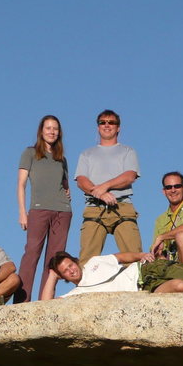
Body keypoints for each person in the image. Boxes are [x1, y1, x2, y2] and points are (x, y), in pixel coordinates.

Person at [15, 115, 72, 302]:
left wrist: (67, 192)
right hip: (38, 209)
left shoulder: (61, 159)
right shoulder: (30, 153)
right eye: (48, 128)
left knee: (54, 258)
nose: (51, 132)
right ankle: (21, 301)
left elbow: (64, 184)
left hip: (62, 211)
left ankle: (45, 300)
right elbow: (21, 184)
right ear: (41, 131)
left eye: (55, 128)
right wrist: (23, 212)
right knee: (31, 253)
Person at [74, 109, 142, 266]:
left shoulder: (128, 151)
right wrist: (98, 194)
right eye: (102, 122)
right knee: (87, 260)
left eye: (111, 122)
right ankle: (85, 289)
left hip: (122, 205)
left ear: (118, 128)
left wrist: (104, 187)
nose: (107, 125)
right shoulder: (87, 154)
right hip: (94, 207)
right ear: (98, 127)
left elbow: (130, 176)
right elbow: (81, 180)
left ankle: (138, 288)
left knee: (134, 255)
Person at [41, 251, 183, 299]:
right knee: (181, 287)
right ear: (63, 278)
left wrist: (140, 255)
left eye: (70, 265)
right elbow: (45, 307)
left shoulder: (94, 262)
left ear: (75, 261)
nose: (71, 270)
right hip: (143, 288)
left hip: (144, 269)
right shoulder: (75, 294)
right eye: (65, 271)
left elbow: (120, 257)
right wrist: (51, 276)